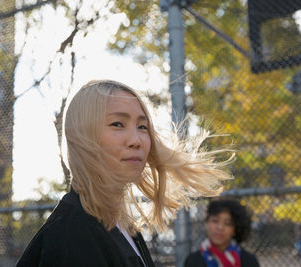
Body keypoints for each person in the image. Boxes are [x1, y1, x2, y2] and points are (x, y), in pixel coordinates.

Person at [16, 80, 234, 266]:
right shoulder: (72, 234)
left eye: (142, 127)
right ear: (83, 136)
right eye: (117, 124)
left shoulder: (122, 225)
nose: (136, 140)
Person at [184, 199, 260, 267]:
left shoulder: (249, 261)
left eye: (227, 223)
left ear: (235, 229)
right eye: (215, 221)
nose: (220, 227)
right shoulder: (193, 261)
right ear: (207, 223)